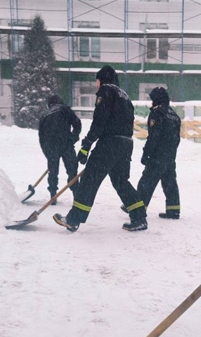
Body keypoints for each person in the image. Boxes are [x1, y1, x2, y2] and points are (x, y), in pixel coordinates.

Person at [53, 65, 149, 232]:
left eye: (97, 80)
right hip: (126, 143)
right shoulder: (124, 95)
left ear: (102, 79)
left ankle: (74, 219)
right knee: (121, 181)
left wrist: (86, 145)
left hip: (110, 143)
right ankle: (139, 217)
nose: (96, 84)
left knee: (90, 178)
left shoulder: (106, 91)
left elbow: (100, 121)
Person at [138, 87, 182, 219]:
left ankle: (137, 208)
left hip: (157, 155)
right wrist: (171, 153)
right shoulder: (174, 115)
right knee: (169, 182)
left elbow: (153, 137)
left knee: (147, 181)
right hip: (170, 155)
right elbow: (177, 138)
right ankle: (173, 210)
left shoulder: (157, 113)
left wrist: (146, 154)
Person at [37, 93, 81, 201]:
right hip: (66, 144)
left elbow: (41, 136)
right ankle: (76, 194)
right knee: (72, 169)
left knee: (53, 171)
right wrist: (73, 138)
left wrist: (47, 151)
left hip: (51, 146)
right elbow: (77, 123)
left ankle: (53, 194)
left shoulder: (44, 114)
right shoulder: (65, 109)